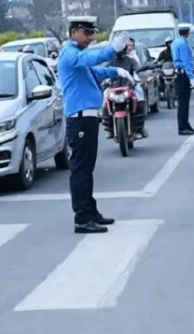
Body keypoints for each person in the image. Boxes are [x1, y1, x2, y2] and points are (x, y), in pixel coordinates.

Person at [56, 16, 129, 234]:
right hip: (79, 117)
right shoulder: (70, 54)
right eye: (87, 33)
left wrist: (115, 71)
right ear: (73, 32)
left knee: (87, 168)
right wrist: (111, 51)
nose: (91, 37)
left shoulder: (76, 55)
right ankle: (82, 217)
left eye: (92, 33)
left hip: (86, 116)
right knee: (80, 169)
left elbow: (93, 72)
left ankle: (90, 210)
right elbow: (90, 61)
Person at [102, 37, 148, 139]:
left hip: (129, 87)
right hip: (113, 88)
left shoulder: (131, 61)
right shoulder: (111, 61)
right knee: (104, 100)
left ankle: (140, 128)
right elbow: (102, 71)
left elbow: (138, 70)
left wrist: (143, 78)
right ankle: (109, 129)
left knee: (140, 95)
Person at [172, 23, 194, 135]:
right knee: (183, 102)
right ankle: (182, 127)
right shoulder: (183, 44)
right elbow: (186, 61)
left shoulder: (176, 42)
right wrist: (191, 77)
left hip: (180, 73)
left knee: (184, 102)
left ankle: (185, 124)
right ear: (188, 32)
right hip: (183, 74)